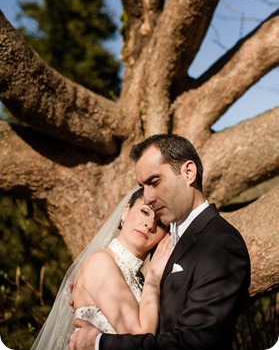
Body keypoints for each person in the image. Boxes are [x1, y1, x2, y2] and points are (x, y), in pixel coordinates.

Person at [69, 133, 251, 350]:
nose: (147, 198)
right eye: (143, 187)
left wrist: (100, 342)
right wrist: (93, 299)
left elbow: (195, 343)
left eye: (154, 182)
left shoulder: (221, 244)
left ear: (188, 172)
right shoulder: (161, 242)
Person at [31, 187, 171, 350]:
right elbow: (140, 340)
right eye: (145, 212)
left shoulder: (139, 278)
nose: (150, 224)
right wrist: (154, 276)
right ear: (126, 211)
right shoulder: (101, 263)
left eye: (160, 222)